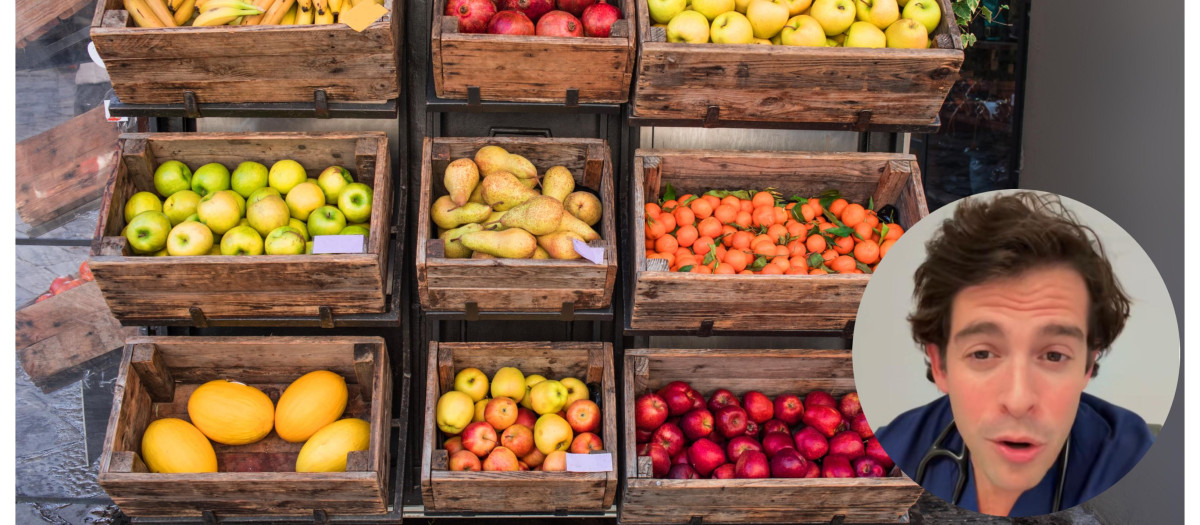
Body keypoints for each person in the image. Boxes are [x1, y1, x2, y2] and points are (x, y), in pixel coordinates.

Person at [875, 191, 1154, 517]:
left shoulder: (1129, 456)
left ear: (1088, 366)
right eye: (982, 354)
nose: (1019, 400)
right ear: (940, 365)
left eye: (1053, 356)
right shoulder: (897, 445)